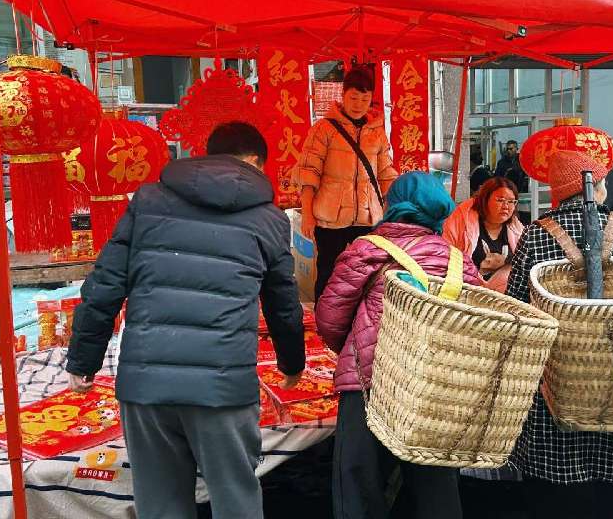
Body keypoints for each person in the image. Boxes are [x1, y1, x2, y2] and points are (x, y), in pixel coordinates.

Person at [66, 122, 305, 519]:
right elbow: (283, 305)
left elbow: (104, 285)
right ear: (254, 162)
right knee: (236, 502)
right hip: (223, 388)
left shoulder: (147, 201)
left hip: (147, 383)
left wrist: (82, 359)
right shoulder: (270, 219)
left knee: (161, 505)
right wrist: (292, 363)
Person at [316, 171, 482, 519]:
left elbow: (329, 318)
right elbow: (478, 322)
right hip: (434, 387)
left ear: (393, 205)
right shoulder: (457, 260)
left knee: (359, 485)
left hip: (368, 383)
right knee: (435, 485)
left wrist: (356, 345)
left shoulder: (366, 249)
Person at [505, 148, 613, 519]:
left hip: (555, 372)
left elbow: (517, 304)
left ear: (556, 192)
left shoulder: (536, 235)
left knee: (554, 486)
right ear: (596, 187)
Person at [294, 66, 398, 301]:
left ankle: (360, 317)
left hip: (368, 216)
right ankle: (324, 317)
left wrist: (392, 211)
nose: (359, 104)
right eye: (353, 97)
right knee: (328, 271)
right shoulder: (324, 129)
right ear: (342, 95)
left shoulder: (377, 133)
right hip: (331, 218)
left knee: (368, 273)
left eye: (365, 99)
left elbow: (385, 174)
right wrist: (308, 214)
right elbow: (308, 173)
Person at [443, 176, 524, 292]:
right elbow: (446, 254)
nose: (506, 206)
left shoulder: (516, 229)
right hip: (466, 291)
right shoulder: (462, 222)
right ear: (485, 200)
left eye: (511, 202)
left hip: (507, 296)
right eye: (500, 200)